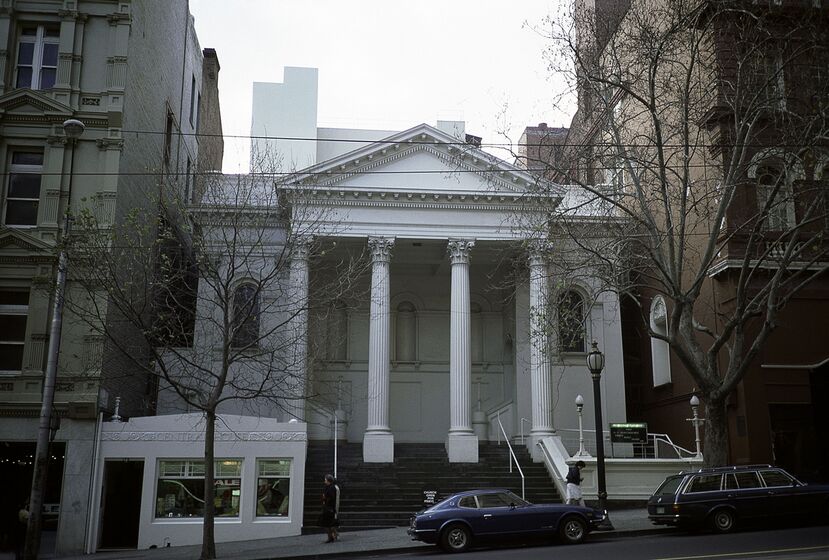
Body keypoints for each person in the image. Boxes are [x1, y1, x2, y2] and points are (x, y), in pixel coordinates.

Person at [319, 474, 340, 543]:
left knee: (327, 524)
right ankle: (333, 536)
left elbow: (331, 498)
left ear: (328, 481)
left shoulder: (331, 488)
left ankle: (331, 537)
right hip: (328, 508)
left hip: (329, 508)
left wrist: (325, 498)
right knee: (329, 524)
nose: (324, 481)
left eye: (325, 480)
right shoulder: (328, 487)